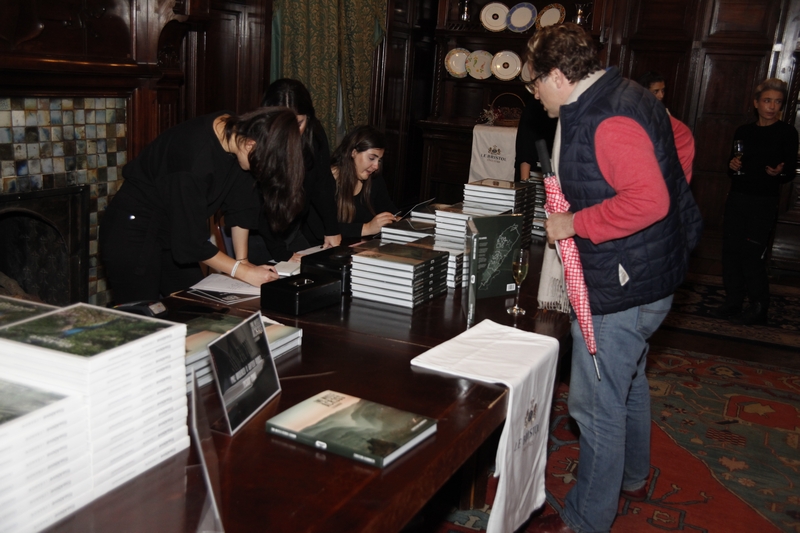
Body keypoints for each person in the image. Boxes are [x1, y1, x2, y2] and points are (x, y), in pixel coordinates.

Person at [525, 23, 703, 533]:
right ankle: (633, 475)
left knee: (594, 406)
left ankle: (586, 519)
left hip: (622, 285)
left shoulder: (606, 118)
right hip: (650, 273)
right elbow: (681, 142)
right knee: (629, 380)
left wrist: (575, 223)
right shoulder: (625, 92)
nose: (533, 92)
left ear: (559, 75)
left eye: (536, 80)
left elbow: (650, 200)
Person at [100, 107, 305, 304]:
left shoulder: (236, 134)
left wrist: (242, 261)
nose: (257, 172)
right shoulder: (194, 158)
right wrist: (242, 272)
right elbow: (191, 242)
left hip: (173, 232)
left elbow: (241, 206)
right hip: (133, 232)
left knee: (196, 309)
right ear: (251, 145)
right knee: (142, 321)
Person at [716, 78, 798, 325]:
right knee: (731, 252)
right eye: (767, 101)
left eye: (777, 102)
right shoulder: (744, 131)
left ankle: (759, 305)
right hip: (738, 198)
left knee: (752, 254)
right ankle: (733, 302)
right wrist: (732, 165)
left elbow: (790, 171)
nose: (772, 106)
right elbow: (733, 166)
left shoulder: (787, 132)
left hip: (763, 202)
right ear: (756, 103)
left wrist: (779, 173)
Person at [250, 79, 342, 263]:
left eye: (299, 123)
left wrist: (332, 229)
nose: (292, 132)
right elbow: (260, 206)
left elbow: (322, 183)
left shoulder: (314, 134)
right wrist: (281, 254)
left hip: (292, 229)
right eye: (284, 124)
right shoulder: (254, 141)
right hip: (259, 235)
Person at [303, 125, 398, 241]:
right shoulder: (323, 182)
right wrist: (367, 228)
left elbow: (391, 212)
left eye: (379, 160)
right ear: (353, 152)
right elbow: (320, 229)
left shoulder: (374, 180)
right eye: (372, 158)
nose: (376, 166)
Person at [514, 91, 558, 180]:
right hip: (537, 175)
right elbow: (525, 150)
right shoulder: (534, 106)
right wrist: (525, 185)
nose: (536, 94)